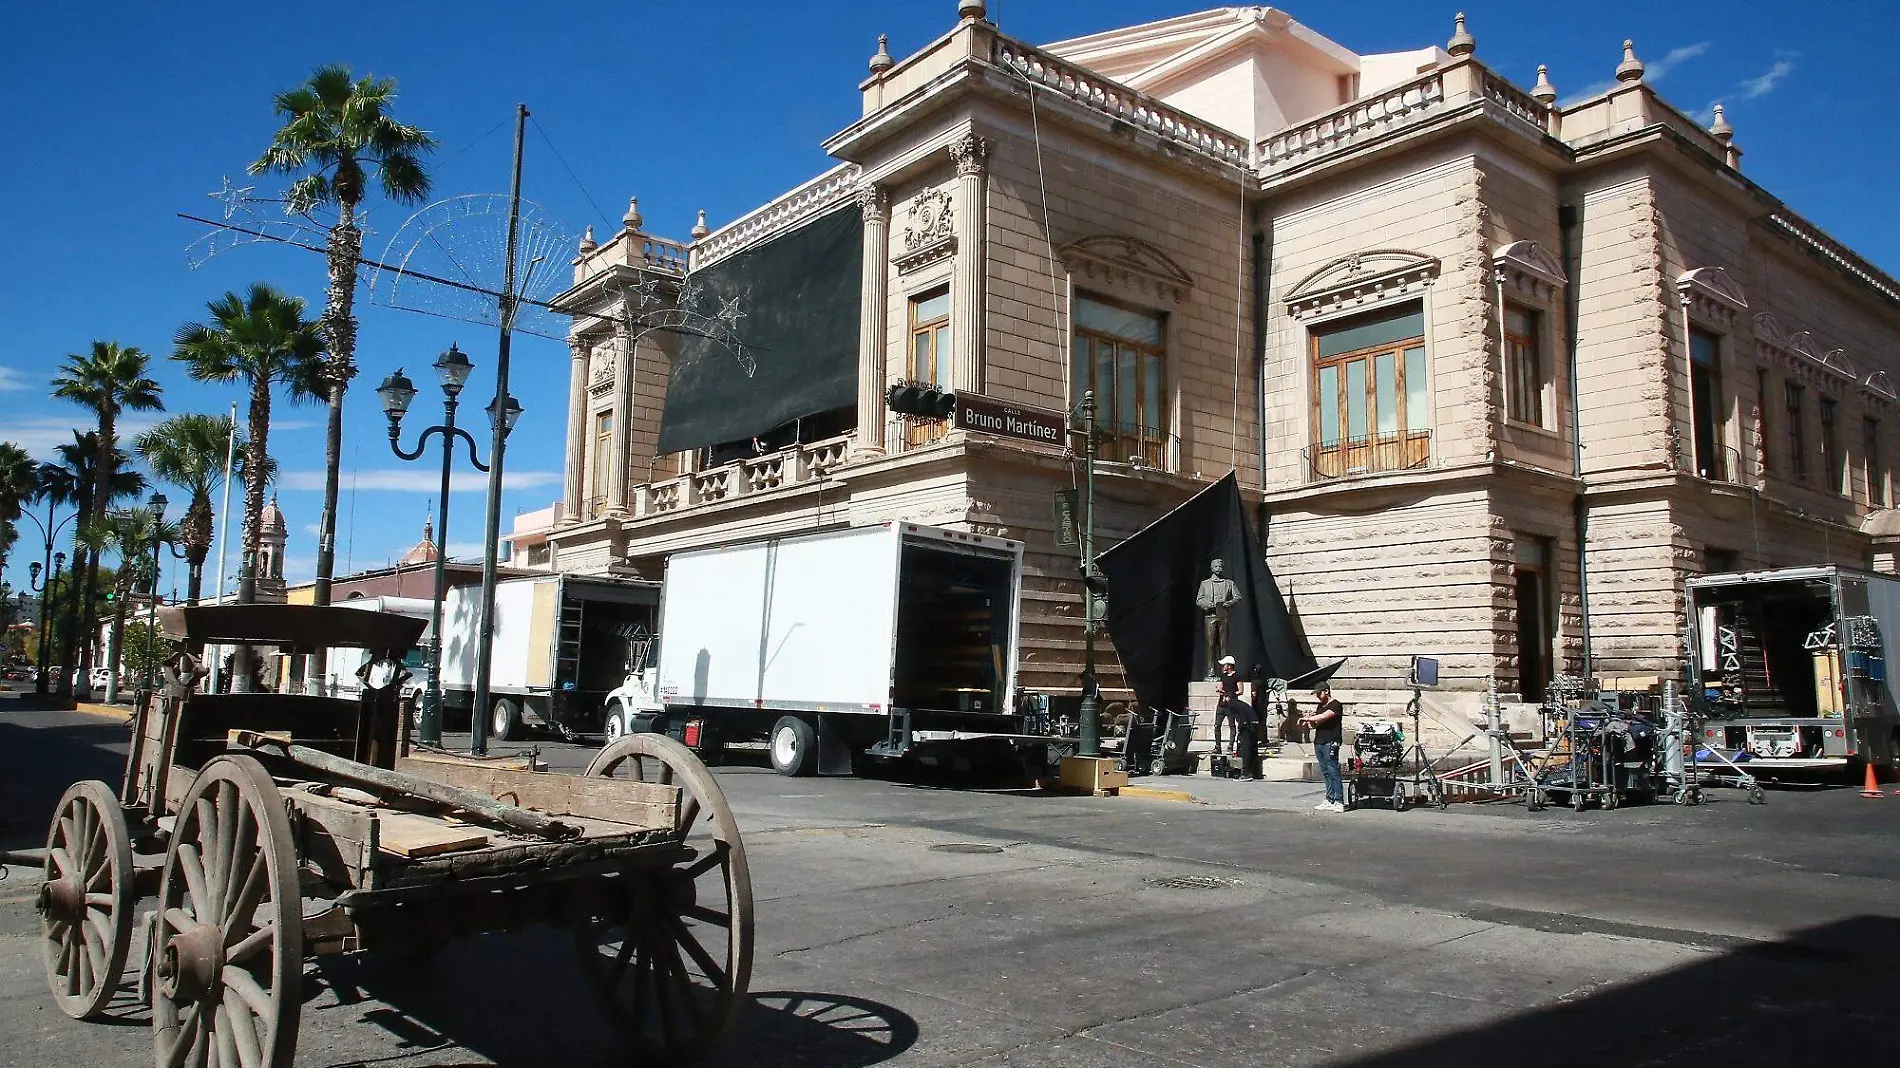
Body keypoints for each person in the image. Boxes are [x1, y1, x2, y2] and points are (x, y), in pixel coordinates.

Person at [1301, 681, 1345, 811]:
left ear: (1326, 691)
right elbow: (1317, 723)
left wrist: (1312, 718)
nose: (1317, 696)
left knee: (1333, 770)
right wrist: (1310, 721)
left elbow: (1325, 716)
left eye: (1319, 693)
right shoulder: (1320, 705)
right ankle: (1329, 798)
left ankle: (1339, 801)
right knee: (1325, 772)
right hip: (1319, 741)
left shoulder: (1335, 704)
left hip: (1331, 741)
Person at [1215, 656, 1261, 779]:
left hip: (1238, 711)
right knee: (1217, 725)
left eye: (1224, 664)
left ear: (1229, 665)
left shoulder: (1237, 678)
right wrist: (1221, 692)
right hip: (1228, 706)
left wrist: (1229, 695)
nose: (1223, 667)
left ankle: (1245, 770)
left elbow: (1240, 691)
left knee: (1236, 731)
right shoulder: (1223, 677)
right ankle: (1218, 746)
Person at [1195, 558, 1242, 678]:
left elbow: (1238, 597)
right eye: (1216, 566)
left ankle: (1225, 670)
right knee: (1210, 645)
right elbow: (1199, 600)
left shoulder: (1229, 583)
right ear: (1212, 568)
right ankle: (1210, 671)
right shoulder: (1205, 584)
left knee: (1224, 644)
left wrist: (1230, 602)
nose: (1219, 569)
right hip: (1210, 617)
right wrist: (1208, 605)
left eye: (1221, 566)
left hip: (1223, 616)